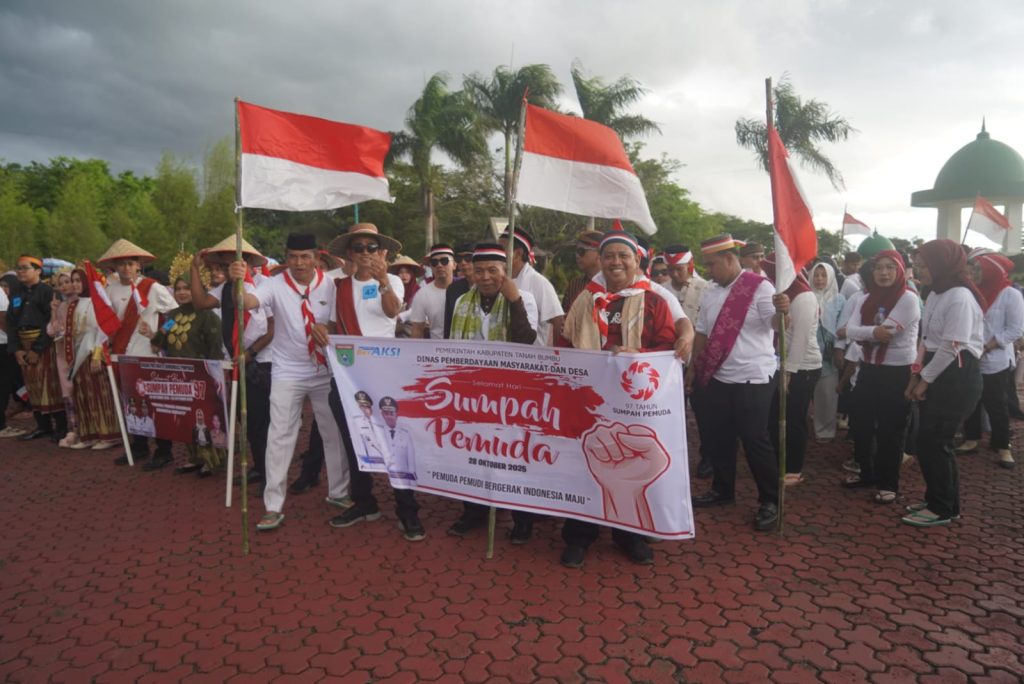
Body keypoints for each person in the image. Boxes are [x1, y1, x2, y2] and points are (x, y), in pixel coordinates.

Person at [557, 229, 677, 568]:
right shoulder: (585, 300)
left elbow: (667, 348)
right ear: (600, 261)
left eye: (623, 255)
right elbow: (564, 344)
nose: (616, 262)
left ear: (636, 260)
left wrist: (638, 356)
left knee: (627, 465)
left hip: (633, 403)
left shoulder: (654, 302)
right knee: (584, 464)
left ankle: (629, 536)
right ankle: (579, 536)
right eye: (609, 256)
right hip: (589, 401)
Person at [229, 232, 352, 531]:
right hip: (287, 372)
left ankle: (339, 492)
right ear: (286, 258)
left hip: (324, 370)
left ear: (316, 258)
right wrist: (237, 282)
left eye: (305, 257)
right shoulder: (273, 284)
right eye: (293, 257)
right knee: (280, 436)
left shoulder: (331, 285)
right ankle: (273, 505)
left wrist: (327, 329)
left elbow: (336, 321)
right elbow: (246, 302)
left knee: (333, 433)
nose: (299, 263)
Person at [323, 222, 425, 540]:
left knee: (394, 442)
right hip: (349, 376)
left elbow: (392, 312)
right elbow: (331, 326)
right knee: (355, 441)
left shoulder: (391, 280)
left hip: (384, 375)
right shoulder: (338, 286)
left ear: (381, 252)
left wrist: (382, 280)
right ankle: (364, 502)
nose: (365, 253)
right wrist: (322, 333)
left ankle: (407, 510)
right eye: (359, 247)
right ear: (349, 253)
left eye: (371, 247)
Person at [686, 235, 788, 532]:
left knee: (755, 440)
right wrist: (693, 369)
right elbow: (702, 333)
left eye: (712, 265)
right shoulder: (711, 291)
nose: (708, 271)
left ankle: (770, 501)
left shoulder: (760, 287)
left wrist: (783, 311)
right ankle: (722, 490)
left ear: (730, 259)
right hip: (718, 375)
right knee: (719, 437)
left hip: (752, 377)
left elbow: (777, 325)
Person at [446, 242, 540, 541]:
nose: (486, 277)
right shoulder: (462, 302)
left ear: (505, 271)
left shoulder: (524, 297)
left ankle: (522, 519)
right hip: (473, 395)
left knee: (515, 456)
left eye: (493, 270)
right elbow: (452, 347)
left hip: (513, 395)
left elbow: (525, 342)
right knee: (472, 453)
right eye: (479, 271)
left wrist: (514, 301)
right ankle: (474, 510)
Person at [903, 240, 984, 527]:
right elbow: (926, 340)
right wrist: (916, 373)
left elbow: (952, 346)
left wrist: (925, 380)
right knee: (929, 440)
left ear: (941, 265)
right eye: (917, 266)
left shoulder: (960, 296)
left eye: (924, 266)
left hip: (956, 374)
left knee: (936, 441)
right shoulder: (936, 293)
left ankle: (943, 507)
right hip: (936, 367)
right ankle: (940, 498)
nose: (919, 272)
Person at [190, 236, 274, 486]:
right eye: (225, 265)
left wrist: (250, 353)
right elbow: (200, 303)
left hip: (260, 362)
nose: (230, 268)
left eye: (234, 263)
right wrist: (194, 268)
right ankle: (259, 467)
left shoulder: (264, 284)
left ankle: (270, 475)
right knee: (245, 421)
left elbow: (272, 328)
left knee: (261, 421)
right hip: (235, 360)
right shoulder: (225, 287)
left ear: (246, 262)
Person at [839, 250, 920, 504]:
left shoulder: (908, 298)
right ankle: (867, 473)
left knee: (891, 430)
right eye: (878, 268)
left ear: (900, 271)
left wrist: (864, 332)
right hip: (868, 368)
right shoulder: (865, 299)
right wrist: (871, 332)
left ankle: (888, 484)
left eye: (890, 268)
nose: (884, 273)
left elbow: (887, 333)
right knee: (861, 425)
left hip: (897, 372)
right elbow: (849, 331)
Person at [98, 239, 176, 465]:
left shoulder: (152, 287)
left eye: (130, 264)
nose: (126, 268)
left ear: (138, 265)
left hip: (148, 354)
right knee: (130, 402)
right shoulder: (109, 289)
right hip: (121, 354)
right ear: (115, 266)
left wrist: (159, 335)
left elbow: (177, 315)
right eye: (121, 264)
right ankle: (139, 446)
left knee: (154, 403)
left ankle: (164, 450)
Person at [144, 268, 225, 474]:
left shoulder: (207, 316)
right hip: (178, 377)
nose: (181, 292)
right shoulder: (173, 315)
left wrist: (213, 378)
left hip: (201, 377)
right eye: (178, 288)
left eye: (187, 288)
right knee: (186, 418)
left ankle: (211, 460)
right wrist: (151, 334)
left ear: (198, 289)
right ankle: (195, 457)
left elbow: (215, 349)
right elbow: (161, 340)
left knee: (203, 418)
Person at [762, 254, 822, 486]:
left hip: (802, 367)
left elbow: (800, 339)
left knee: (794, 418)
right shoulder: (781, 294)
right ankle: (779, 462)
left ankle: (794, 468)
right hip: (781, 363)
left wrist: (788, 373)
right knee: (775, 417)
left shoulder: (803, 296)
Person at [959, 252, 1023, 469]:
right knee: (971, 400)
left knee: (996, 403)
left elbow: (1015, 330)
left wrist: (987, 347)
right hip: (971, 355)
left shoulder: (1010, 294)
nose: (974, 273)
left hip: (995, 359)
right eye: (974, 269)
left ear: (991, 270)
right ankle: (971, 439)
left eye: (979, 269)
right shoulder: (973, 292)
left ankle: (1002, 446)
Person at [7, 255, 66, 441]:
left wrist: (37, 349)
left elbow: (51, 322)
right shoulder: (16, 293)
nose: (20, 271)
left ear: (38, 271)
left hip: (44, 345)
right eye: (18, 268)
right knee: (32, 386)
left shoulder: (48, 292)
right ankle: (42, 426)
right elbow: (11, 323)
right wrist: (16, 349)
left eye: (25, 268)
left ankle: (62, 427)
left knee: (51, 385)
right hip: (22, 345)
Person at [67, 268, 121, 450]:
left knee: (100, 394)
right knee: (83, 395)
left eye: (78, 280)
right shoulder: (74, 304)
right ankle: (89, 435)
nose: (75, 284)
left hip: (94, 355)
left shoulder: (98, 302)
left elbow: (103, 330)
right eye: (73, 280)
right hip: (79, 357)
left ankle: (109, 436)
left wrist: (97, 355)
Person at [501, 227, 564, 346]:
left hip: (532, 354)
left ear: (517, 253)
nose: (497, 253)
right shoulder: (499, 279)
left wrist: (555, 355)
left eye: (502, 249)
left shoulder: (538, 282)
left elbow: (558, 320)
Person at [809, 262, 846, 441]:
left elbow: (842, 326)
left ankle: (825, 431)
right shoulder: (806, 296)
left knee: (827, 394)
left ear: (831, 277)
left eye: (824, 275)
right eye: (816, 275)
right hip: (808, 350)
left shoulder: (839, 300)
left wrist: (839, 349)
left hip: (829, 353)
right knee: (807, 392)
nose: (819, 279)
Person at [46, 270, 81, 447]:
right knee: (67, 390)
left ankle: (86, 430)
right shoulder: (61, 306)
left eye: (68, 282)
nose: (65, 286)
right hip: (63, 354)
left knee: (81, 389)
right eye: (61, 284)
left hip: (79, 352)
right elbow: (52, 331)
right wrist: (53, 311)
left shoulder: (83, 303)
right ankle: (73, 429)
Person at [408, 244, 456, 340]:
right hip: (437, 347)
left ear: (454, 265)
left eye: (444, 261)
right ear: (431, 266)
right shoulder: (422, 294)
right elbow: (417, 330)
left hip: (465, 348)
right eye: (434, 262)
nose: (439, 265)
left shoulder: (465, 289)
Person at [662, 245, 708, 322]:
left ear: (689, 264)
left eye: (679, 269)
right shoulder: (661, 290)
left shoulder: (705, 288)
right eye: (670, 269)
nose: (675, 274)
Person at [561, 230, 604, 311]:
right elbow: (565, 315)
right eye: (576, 251)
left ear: (599, 253)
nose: (577, 255)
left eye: (581, 251)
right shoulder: (574, 285)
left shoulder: (613, 284)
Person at [380, 396, 416, 485]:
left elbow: (411, 461)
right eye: (386, 413)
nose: (389, 417)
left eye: (391, 413)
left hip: (404, 480)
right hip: (386, 479)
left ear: (396, 415)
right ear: (382, 415)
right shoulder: (379, 433)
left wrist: (412, 483)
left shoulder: (406, 434)